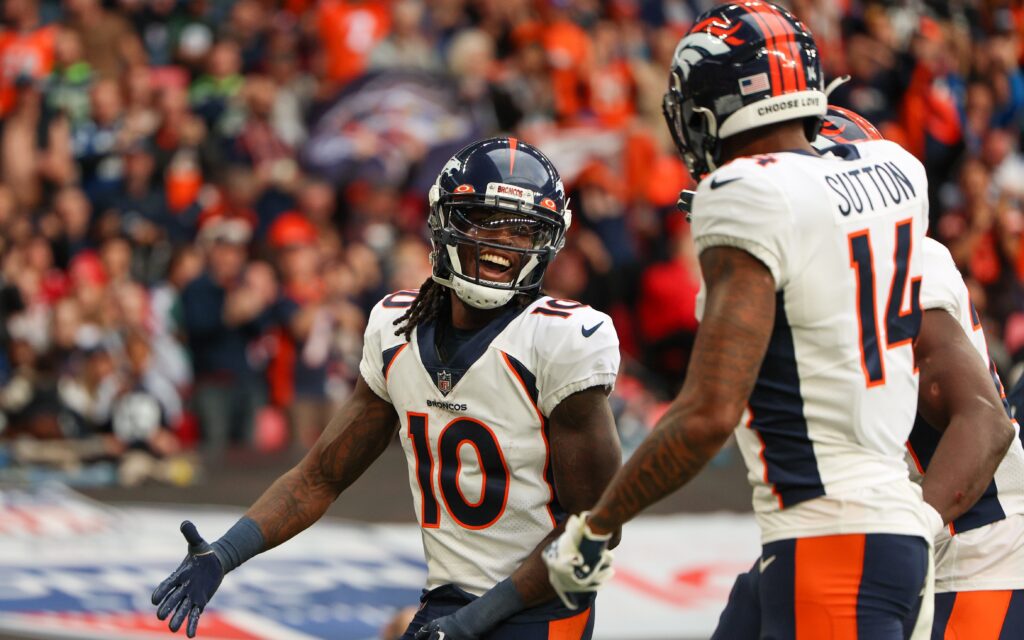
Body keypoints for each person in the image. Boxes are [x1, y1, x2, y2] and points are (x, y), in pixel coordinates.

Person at [543, 3, 947, 637]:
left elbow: (708, 413)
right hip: (889, 523)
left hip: (829, 535)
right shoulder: (897, 168)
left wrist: (596, 526)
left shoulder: (748, 195)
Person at [151, 137, 622, 639]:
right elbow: (319, 478)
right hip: (450, 599)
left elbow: (595, 529)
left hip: (540, 612)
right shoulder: (397, 328)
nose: (504, 243)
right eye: (484, 220)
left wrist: (473, 623)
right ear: (444, 222)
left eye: (523, 230)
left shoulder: (559, 340)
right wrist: (224, 554)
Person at [812, 107, 1024, 639]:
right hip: (920, 554)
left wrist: (906, 537)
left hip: (975, 554)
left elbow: (984, 423)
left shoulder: (893, 259)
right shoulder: (820, 278)